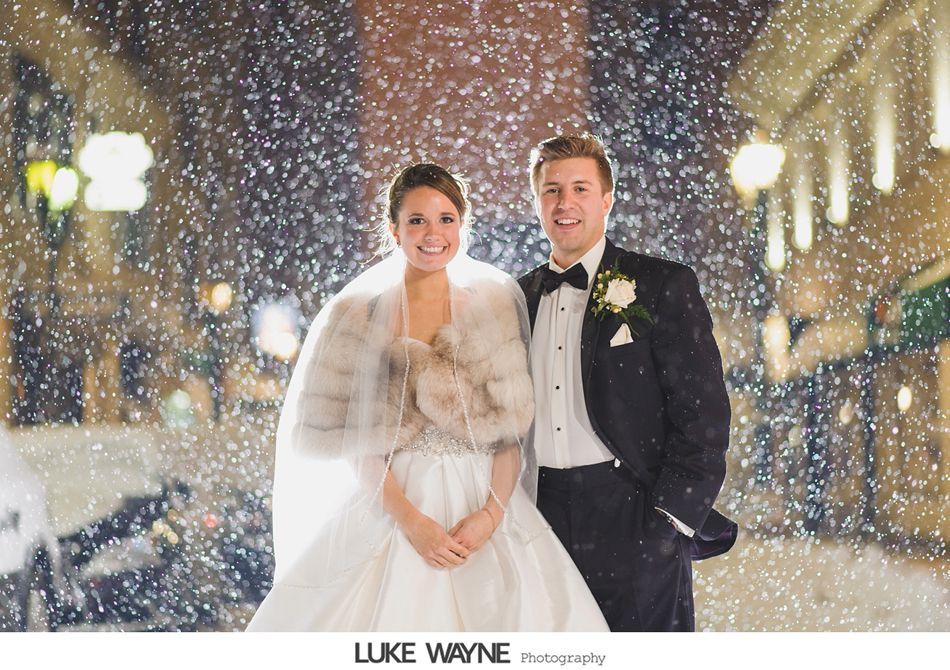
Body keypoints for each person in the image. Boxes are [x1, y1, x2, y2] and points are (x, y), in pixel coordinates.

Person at [247, 163, 608, 632]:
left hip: (484, 503)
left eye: (445, 219)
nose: (432, 233)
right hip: (390, 502)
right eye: (417, 220)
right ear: (394, 230)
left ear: (462, 226)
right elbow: (359, 443)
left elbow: (509, 436)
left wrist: (490, 516)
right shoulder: (355, 315)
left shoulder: (493, 306)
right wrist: (413, 522)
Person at [518, 134, 738, 632]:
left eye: (579, 188)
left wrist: (670, 520)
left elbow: (702, 413)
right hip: (540, 514)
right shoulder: (515, 298)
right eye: (551, 190)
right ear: (536, 203)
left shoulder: (661, 284)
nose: (565, 202)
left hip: (634, 510)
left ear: (607, 200)